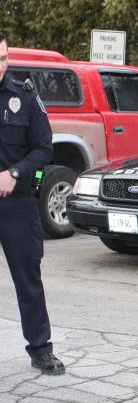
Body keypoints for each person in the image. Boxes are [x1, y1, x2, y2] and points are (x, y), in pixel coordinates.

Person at [0, 32, 65, 375]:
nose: (0, 66)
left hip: (17, 203)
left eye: (3, 58)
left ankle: (40, 349)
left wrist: (15, 171)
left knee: (28, 279)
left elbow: (44, 148)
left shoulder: (24, 97)